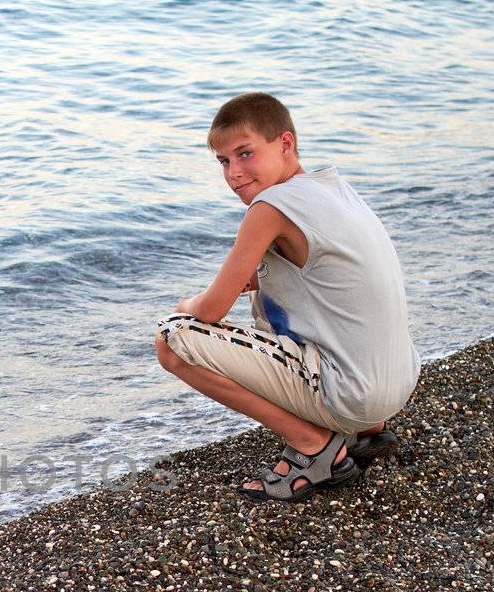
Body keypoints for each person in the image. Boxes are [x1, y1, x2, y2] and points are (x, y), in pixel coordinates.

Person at [154, 92, 419, 502]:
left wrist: (184, 306)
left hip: (352, 395)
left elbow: (210, 311)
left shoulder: (270, 206)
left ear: (285, 143)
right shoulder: (333, 187)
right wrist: (262, 278)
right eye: (224, 161)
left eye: (246, 154)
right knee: (269, 284)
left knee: (172, 340)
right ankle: (368, 431)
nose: (233, 172)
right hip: (397, 383)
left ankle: (315, 447)